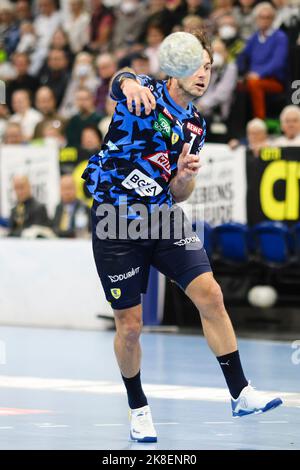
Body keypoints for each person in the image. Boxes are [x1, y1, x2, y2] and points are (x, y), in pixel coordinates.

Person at [82, 30, 283, 443]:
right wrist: (130, 81)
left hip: (161, 216)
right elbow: (120, 79)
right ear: (176, 67)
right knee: (131, 326)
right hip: (116, 221)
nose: (204, 74)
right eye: (196, 66)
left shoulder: (195, 124)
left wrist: (185, 177)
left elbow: (177, 192)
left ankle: (240, 392)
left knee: (210, 295)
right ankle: (138, 408)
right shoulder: (146, 92)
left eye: (209, 67)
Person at [237, 2, 289, 120]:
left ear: (273, 19)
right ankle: (237, 126)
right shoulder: (254, 37)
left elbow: (278, 63)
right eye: (262, 17)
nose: (265, 20)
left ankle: (259, 120)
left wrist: (258, 74)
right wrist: (242, 72)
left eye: (268, 17)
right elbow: (243, 55)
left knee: (254, 83)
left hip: (274, 81)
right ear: (256, 19)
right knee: (237, 84)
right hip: (252, 78)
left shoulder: (280, 37)